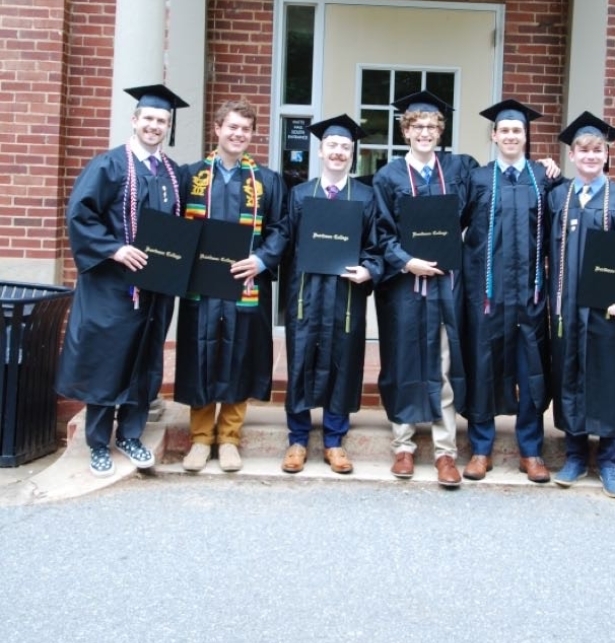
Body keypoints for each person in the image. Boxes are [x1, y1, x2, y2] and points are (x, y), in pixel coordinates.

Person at [57, 83, 188, 477]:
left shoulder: (171, 172)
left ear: (168, 126)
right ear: (134, 121)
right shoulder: (108, 166)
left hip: (155, 286)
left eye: (161, 120)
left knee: (145, 359)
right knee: (108, 359)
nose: (154, 126)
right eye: (148, 118)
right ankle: (98, 442)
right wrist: (114, 249)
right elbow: (80, 216)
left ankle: (131, 433)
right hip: (113, 286)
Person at [547, 111, 615, 498]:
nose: (590, 156)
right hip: (567, 308)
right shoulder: (558, 197)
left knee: (609, 380)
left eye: (597, 150)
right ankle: (576, 455)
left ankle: (610, 461)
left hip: (607, 311)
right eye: (583, 150)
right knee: (570, 377)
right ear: (572, 155)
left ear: (606, 156)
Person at [175, 100, 287, 473]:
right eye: (232, 127)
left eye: (246, 129)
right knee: (201, 354)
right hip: (202, 286)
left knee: (239, 355)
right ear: (218, 128)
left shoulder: (267, 181)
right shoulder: (191, 176)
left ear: (252, 135)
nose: (239, 134)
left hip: (245, 282)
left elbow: (280, 229)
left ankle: (230, 438)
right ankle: (201, 437)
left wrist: (261, 260)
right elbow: (175, 228)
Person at [373, 90, 477, 488]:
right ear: (405, 130)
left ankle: (444, 452)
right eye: (417, 126)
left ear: (441, 130)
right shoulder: (389, 176)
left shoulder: (456, 171)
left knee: (443, 367)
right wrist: (404, 260)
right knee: (402, 361)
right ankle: (402, 445)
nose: (425, 132)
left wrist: (551, 170)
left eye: (432, 126)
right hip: (404, 285)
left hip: (444, 285)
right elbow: (380, 231)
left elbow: (476, 204)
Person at [461, 100, 562, 483]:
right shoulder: (479, 179)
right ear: (494, 135)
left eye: (517, 131)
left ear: (526, 135)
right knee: (483, 366)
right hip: (486, 295)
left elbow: (576, 209)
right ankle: (481, 449)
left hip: (530, 296)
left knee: (531, 370)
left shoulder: (544, 177)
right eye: (504, 131)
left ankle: (531, 451)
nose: (510, 136)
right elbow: (449, 223)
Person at [281, 114, 384, 475]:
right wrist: (259, 261)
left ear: (352, 153)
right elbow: (284, 240)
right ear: (320, 150)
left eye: (345, 147)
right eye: (332, 146)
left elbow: (377, 244)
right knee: (300, 362)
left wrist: (370, 268)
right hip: (306, 295)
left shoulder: (366, 197)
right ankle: (296, 440)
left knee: (342, 362)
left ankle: (334, 441)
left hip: (344, 296)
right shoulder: (299, 195)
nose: (338, 152)